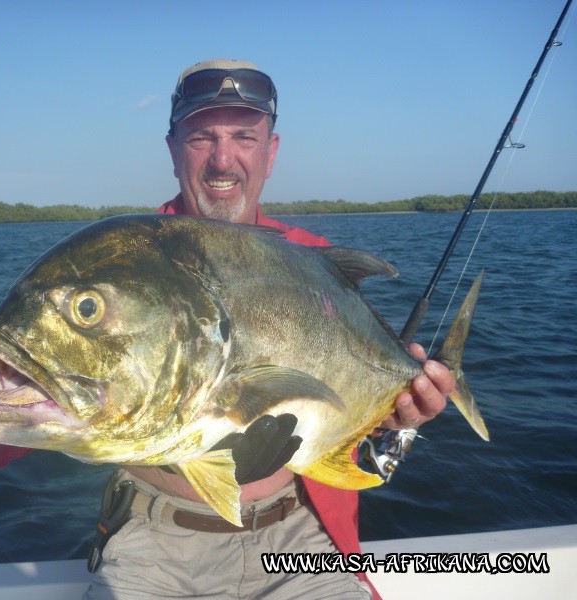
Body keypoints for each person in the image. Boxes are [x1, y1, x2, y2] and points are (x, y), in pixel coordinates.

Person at [82, 59, 454, 600]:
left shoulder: (313, 266)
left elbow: (354, 427)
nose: (223, 159)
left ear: (271, 152)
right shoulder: (131, 266)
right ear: (172, 149)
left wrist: (401, 420)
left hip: (300, 538)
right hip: (155, 543)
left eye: (244, 137)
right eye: (202, 137)